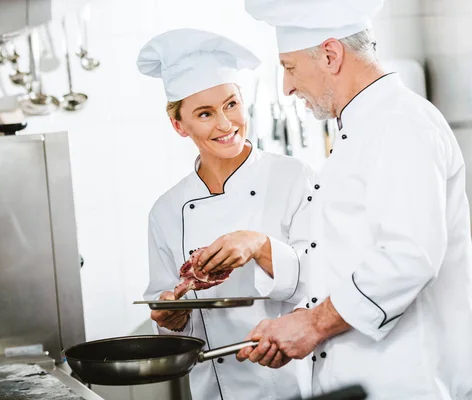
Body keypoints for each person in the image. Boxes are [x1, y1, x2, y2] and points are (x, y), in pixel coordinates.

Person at [228, 1, 472, 399]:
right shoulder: (359, 131)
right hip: (362, 381)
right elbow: (340, 259)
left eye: (288, 67)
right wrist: (295, 319)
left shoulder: (399, 124)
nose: (286, 87)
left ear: (330, 55)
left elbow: (409, 254)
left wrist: (313, 325)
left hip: (408, 383)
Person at [137, 28, 315, 400]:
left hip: (289, 382)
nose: (225, 124)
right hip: (212, 389)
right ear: (179, 125)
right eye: (205, 113)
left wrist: (258, 245)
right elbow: (167, 317)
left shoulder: (293, 178)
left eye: (231, 104)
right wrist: (171, 318)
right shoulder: (166, 211)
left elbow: (320, 288)